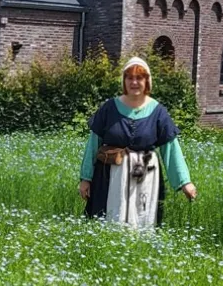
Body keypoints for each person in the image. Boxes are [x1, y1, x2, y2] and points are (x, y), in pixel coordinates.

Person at [79, 57, 196, 228]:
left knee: (143, 225)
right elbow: (92, 145)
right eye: (129, 77)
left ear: (147, 81)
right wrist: (85, 178)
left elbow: (171, 149)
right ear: (124, 81)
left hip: (146, 178)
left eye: (139, 78)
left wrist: (184, 182)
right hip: (110, 178)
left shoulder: (158, 112)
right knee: (108, 224)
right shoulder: (109, 108)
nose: (134, 82)